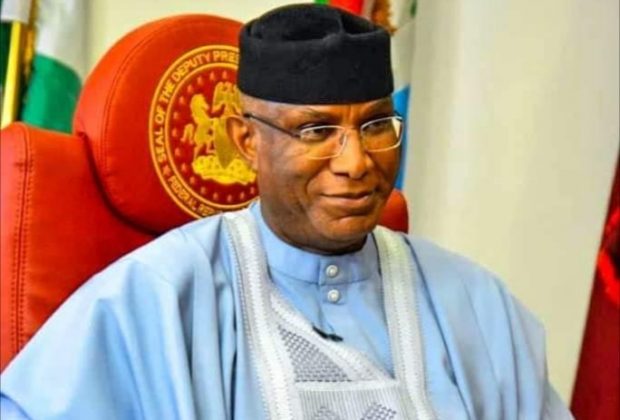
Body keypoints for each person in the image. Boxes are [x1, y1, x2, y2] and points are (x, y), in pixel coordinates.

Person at [0, 4, 573, 419]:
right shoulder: (154, 298)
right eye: (316, 131)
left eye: (376, 125)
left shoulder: (475, 304)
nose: (356, 162)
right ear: (247, 142)